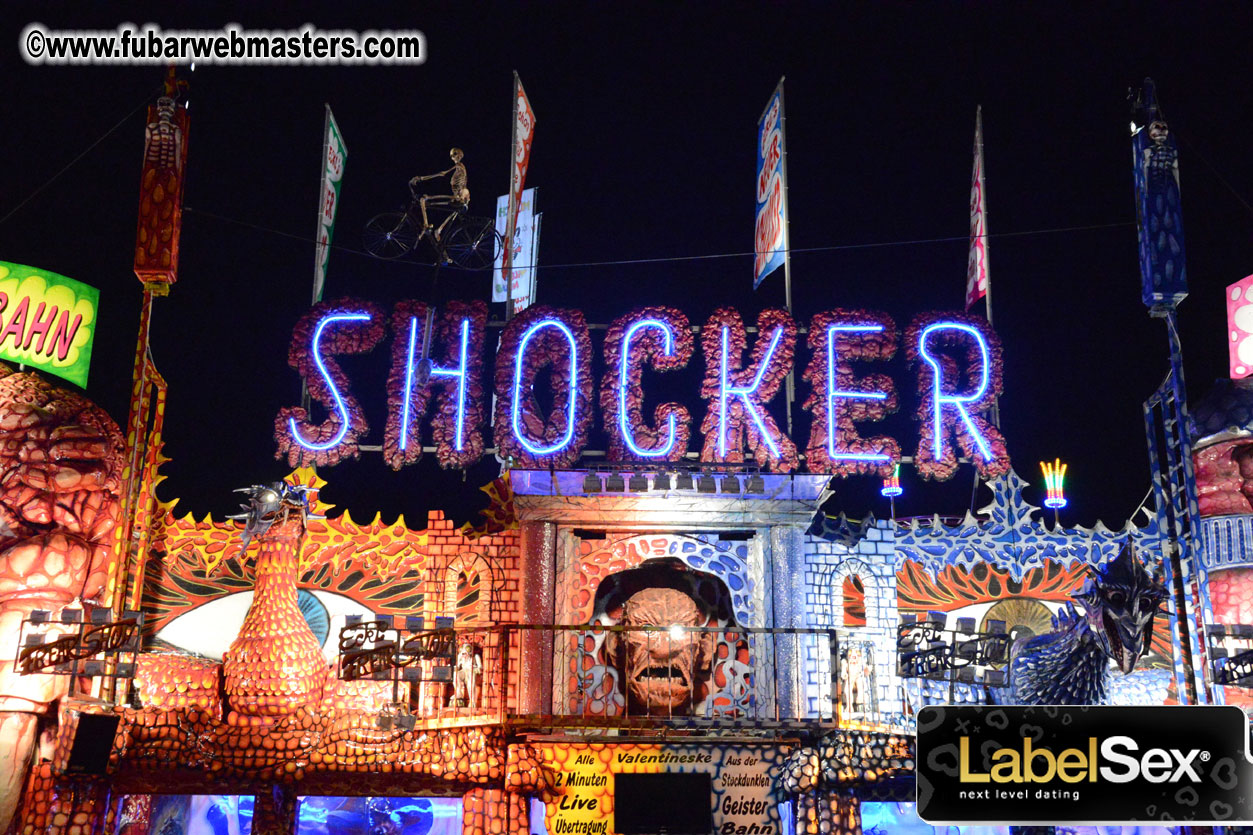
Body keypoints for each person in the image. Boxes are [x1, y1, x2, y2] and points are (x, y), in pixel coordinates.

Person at [410, 147, 469, 241]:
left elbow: (442, 174)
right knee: (425, 201)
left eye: (454, 154)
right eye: (451, 155)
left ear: (460, 155)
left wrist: (420, 178)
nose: (452, 157)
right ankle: (437, 231)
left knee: (423, 199)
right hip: (456, 197)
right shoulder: (459, 168)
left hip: (458, 197)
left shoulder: (459, 165)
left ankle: (426, 226)